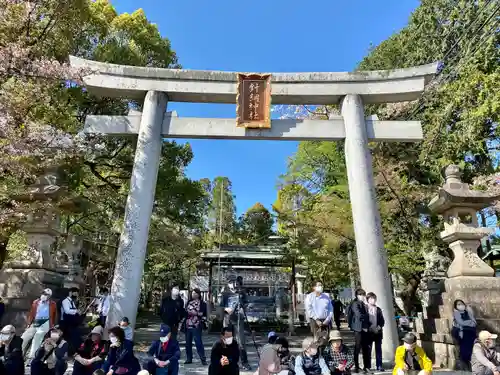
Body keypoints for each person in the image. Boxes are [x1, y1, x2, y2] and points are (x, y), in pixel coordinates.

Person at [221, 275, 251, 370]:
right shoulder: (225, 293)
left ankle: (244, 362)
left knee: (241, 341)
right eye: (230, 282)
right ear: (227, 283)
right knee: (228, 341)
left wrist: (244, 309)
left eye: (233, 282)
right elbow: (220, 306)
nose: (232, 284)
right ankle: (227, 362)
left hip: (239, 319)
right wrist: (226, 309)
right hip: (228, 320)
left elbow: (246, 303)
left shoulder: (241, 292)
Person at [22, 288, 58, 359]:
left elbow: (55, 315)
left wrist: (54, 325)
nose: (44, 295)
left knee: (38, 337)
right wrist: (29, 323)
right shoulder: (36, 302)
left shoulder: (52, 304)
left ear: (49, 296)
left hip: (46, 321)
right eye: (43, 293)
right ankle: (18, 353)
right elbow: (32, 313)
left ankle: (32, 356)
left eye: (47, 295)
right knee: (25, 336)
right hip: (37, 321)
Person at [305, 281, 333, 347]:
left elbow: (330, 309)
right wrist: (316, 319)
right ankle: (316, 355)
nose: (321, 287)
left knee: (325, 339)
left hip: (326, 321)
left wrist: (327, 319)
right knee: (316, 340)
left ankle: (325, 355)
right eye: (318, 285)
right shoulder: (309, 297)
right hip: (314, 321)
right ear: (314, 287)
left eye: (321, 285)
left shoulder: (326, 296)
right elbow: (309, 309)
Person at [348, 288, 370, 373]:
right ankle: (356, 366)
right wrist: (365, 320)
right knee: (357, 347)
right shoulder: (355, 303)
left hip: (364, 328)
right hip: (358, 328)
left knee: (365, 348)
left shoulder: (363, 304)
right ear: (357, 295)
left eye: (363, 295)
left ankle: (366, 366)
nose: (362, 296)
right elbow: (358, 315)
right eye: (361, 295)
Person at [184, 288, 207, 365]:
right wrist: (197, 313)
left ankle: (203, 359)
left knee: (198, 342)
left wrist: (197, 314)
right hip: (188, 325)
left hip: (197, 325)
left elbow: (203, 314)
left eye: (195, 293)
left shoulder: (203, 303)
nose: (193, 295)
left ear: (199, 294)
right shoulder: (188, 302)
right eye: (192, 293)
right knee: (188, 343)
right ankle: (189, 358)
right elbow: (186, 313)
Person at [451, 299, 477, 368]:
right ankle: (464, 362)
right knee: (465, 345)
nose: (460, 305)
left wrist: (468, 322)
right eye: (458, 304)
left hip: (470, 331)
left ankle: (469, 362)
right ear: (456, 306)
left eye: (461, 304)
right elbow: (461, 322)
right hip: (461, 332)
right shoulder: (456, 313)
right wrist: (469, 322)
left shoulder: (468, 312)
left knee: (471, 345)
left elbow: (474, 323)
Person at [366, 292, 385, 371]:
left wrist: (378, 327)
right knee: (368, 350)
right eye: (371, 298)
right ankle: (368, 366)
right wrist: (369, 327)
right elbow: (364, 320)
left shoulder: (378, 309)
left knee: (378, 349)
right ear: (367, 300)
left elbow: (382, 321)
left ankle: (379, 365)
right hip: (369, 332)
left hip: (378, 332)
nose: (373, 300)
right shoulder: (365, 309)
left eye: (374, 298)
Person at [61, 287, 82, 352]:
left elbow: (74, 311)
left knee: (75, 338)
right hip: (67, 323)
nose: (76, 295)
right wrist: (76, 311)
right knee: (69, 338)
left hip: (73, 324)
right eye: (75, 293)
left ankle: (74, 351)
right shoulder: (65, 301)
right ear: (70, 293)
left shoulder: (72, 302)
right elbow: (67, 311)